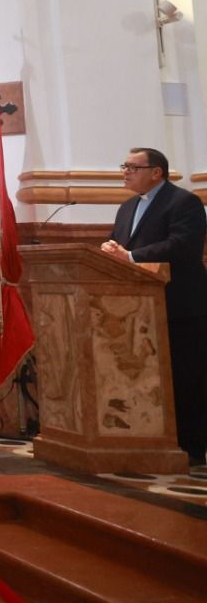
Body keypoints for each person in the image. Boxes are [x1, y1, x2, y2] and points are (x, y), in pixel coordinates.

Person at [101, 146, 207, 464]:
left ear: (156, 172)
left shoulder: (184, 201)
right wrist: (109, 248)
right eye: (124, 166)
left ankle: (192, 448)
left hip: (181, 306)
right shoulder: (127, 207)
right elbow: (119, 242)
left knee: (187, 378)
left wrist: (130, 256)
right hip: (138, 312)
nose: (125, 172)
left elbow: (183, 246)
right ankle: (152, 440)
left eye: (132, 167)